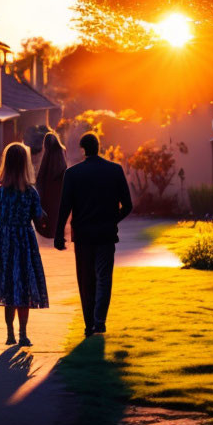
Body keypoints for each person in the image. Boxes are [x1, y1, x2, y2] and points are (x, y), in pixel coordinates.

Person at [54, 132, 133, 337]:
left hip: (83, 235)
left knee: (86, 279)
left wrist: (58, 234)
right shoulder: (114, 170)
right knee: (104, 278)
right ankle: (100, 321)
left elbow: (65, 207)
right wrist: (112, 220)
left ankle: (89, 323)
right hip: (106, 235)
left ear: (82, 149)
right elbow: (128, 205)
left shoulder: (73, 174)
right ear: (99, 147)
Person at [0, 142, 49, 347]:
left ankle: (10, 334)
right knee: (24, 287)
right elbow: (38, 221)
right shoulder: (30, 193)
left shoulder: (0, 192)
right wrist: (44, 217)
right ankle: (23, 334)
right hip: (25, 242)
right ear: (26, 164)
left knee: (8, 288)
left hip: (5, 241)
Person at [35, 132, 67, 238]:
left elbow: (41, 174)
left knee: (49, 211)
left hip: (49, 188)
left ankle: (50, 231)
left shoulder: (48, 153)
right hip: (59, 187)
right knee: (57, 211)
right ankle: (56, 231)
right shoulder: (62, 151)